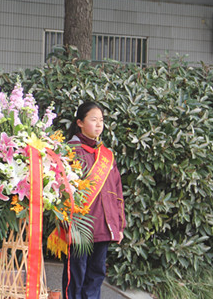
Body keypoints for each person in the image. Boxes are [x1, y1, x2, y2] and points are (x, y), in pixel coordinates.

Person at [62, 102, 125, 299]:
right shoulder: (70, 151)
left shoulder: (106, 155)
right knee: (76, 274)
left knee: (97, 274)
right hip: (81, 225)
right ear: (79, 122)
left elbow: (117, 192)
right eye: (93, 120)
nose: (99, 125)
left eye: (101, 120)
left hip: (104, 225)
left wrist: (119, 225)